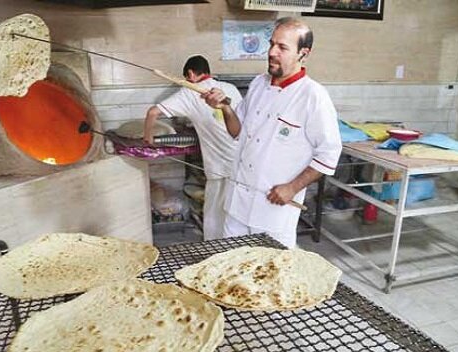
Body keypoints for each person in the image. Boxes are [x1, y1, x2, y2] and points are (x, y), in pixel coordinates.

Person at [202, 17, 342, 248]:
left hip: (273, 212)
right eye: (271, 44)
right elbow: (237, 131)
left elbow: (329, 154)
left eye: (282, 47)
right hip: (237, 204)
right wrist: (225, 108)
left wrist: (292, 188)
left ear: (303, 53)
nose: (272, 52)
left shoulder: (313, 96)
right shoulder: (259, 83)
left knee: (271, 268)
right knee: (231, 264)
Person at [143, 55, 243, 240]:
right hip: (244, 162)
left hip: (220, 166)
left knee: (215, 216)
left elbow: (152, 112)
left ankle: (215, 249)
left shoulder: (188, 92)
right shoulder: (230, 88)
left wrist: (148, 138)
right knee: (238, 214)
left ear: (190, 74)